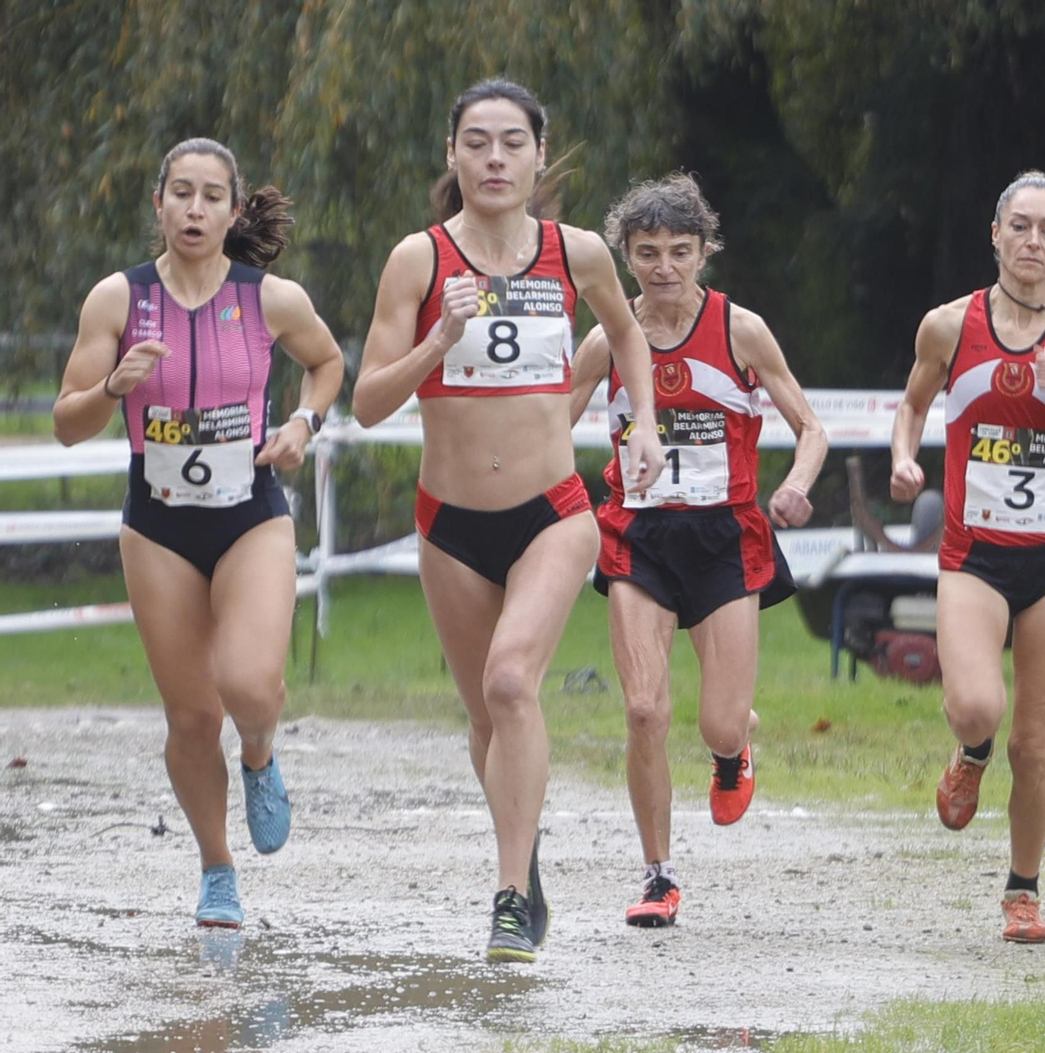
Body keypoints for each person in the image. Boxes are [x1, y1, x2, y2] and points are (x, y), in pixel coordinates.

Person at [352, 79, 664, 962]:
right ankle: (527, 862)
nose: (495, 159)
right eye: (477, 143)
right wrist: (434, 344)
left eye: (512, 143)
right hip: (449, 522)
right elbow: (371, 402)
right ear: (452, 155)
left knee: (510, 684)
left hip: (553, 513)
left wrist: (639, 423)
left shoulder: (578, 253)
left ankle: (507, 896)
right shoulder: (418, 259)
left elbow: (629, 336)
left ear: (537, 154)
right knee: (487, 721)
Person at [51, 138, 343, 928]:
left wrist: (303, 423)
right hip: (158, 525)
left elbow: (327, 363)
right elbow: (66, 423)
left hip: (250, 512)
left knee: (251, 684)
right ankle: (218, 869)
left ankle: (259, 756)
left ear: (234, 210)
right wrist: (114, 385)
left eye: (213, 196)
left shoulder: (268, 298)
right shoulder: (118, 300)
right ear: (159, 204)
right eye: (181, 193)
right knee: (190, 716)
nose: (195, 209)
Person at [569, 173, 827, 928]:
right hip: (638, 534)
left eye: (680, 251)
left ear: (705, 252)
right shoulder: (608, 339)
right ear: (624, 256)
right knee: (645, 708)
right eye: (646, 252)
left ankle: (730, 749)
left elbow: (810, 425)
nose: (663, 268)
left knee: (719, 718)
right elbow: (552, 427)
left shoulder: (740, 329)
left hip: (725, 537)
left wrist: (798, 486)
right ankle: (658, 875)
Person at [890, 171, 1045, 942]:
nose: (1031, 242)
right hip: (974, 554)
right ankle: (968, 751)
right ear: (995, 234)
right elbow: (914, 402)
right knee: (980, 707)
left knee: (1037, 742)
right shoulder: (949, 326)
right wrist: (904, 458)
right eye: (1018, 226)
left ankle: (1023, 890)